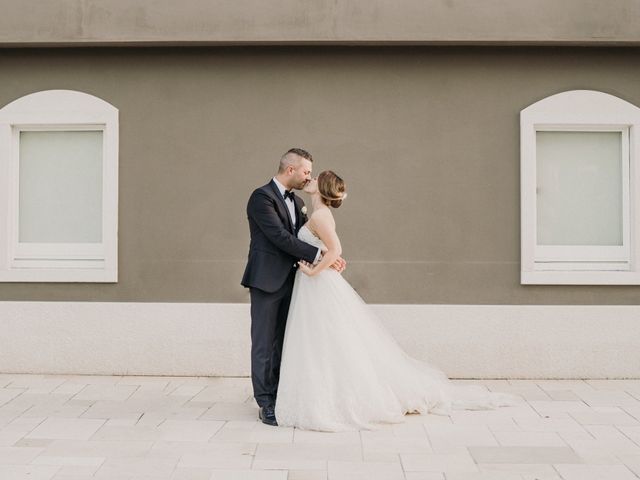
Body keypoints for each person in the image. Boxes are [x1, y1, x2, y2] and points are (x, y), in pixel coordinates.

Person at [274, 170, 523, 432]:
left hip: (318, 284)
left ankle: (333, 397)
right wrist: (324, 257)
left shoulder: (320, 215)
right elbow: (326, 248)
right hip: (315, 286)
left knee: (327, 340)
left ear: (321, 188)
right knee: (321, 340)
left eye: (314, 178)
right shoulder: (315, 213)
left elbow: (336, 248)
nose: (309, 180)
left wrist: (315, 269)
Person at [241, 148, 346, 426]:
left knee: (285, 343)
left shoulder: (298, 201)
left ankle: (283, 393)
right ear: (291, 170)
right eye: (306, 171)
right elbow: (279, 237)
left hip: (295, 280)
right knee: (264, 344)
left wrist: (327, 255)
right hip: (266, 280)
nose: (308, 176)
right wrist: (321, 256)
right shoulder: (261, 197)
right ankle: (266, 402)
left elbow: (306, 238)